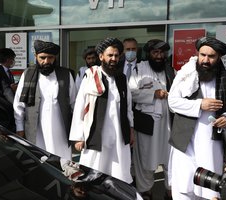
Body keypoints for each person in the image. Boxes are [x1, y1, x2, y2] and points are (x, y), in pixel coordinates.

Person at [168, 36, 226, 200]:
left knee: (209, 189)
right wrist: (200, 105)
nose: (205, 60)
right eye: (202, 55)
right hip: (184, 141)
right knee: (183, 187)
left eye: (211, 56)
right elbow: (172, 102)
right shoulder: (186, 74)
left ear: (219, 58)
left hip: (211, 143)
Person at [69, 37, 135, 184]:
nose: (113, 59)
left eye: (116, 56)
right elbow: (80, 105)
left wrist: (130, 129)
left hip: (118, 135)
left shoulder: (122, 78)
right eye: (110, 55)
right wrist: (79, 136)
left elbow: (128, 107)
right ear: (101, 57)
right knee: (94, 172)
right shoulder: (91, 75)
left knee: (118, 173)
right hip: (96, 134)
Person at [13, 40, 76, 160]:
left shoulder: (66, 74)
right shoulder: (27, 74)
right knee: (39, 164)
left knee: (63, 164)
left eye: (50, 57)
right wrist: (19, 128)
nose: (46, 61)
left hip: (61, 133)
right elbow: (19, 105)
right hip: (35, 131)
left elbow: (75, 104)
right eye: (42, 57)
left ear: (55, 57)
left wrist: (77, 133)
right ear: (36, 56)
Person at [128, 39, 175, 199]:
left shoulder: (170, 71)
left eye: (162, 52)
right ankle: (146, 193)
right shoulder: (139, 69)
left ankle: (170, 192)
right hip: (147, 125)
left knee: (170, 160)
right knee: (146, 161)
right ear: (149, 54)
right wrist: (153, 94)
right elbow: (131, 94)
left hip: (167, 124)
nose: (159, 56)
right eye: (155, 52)